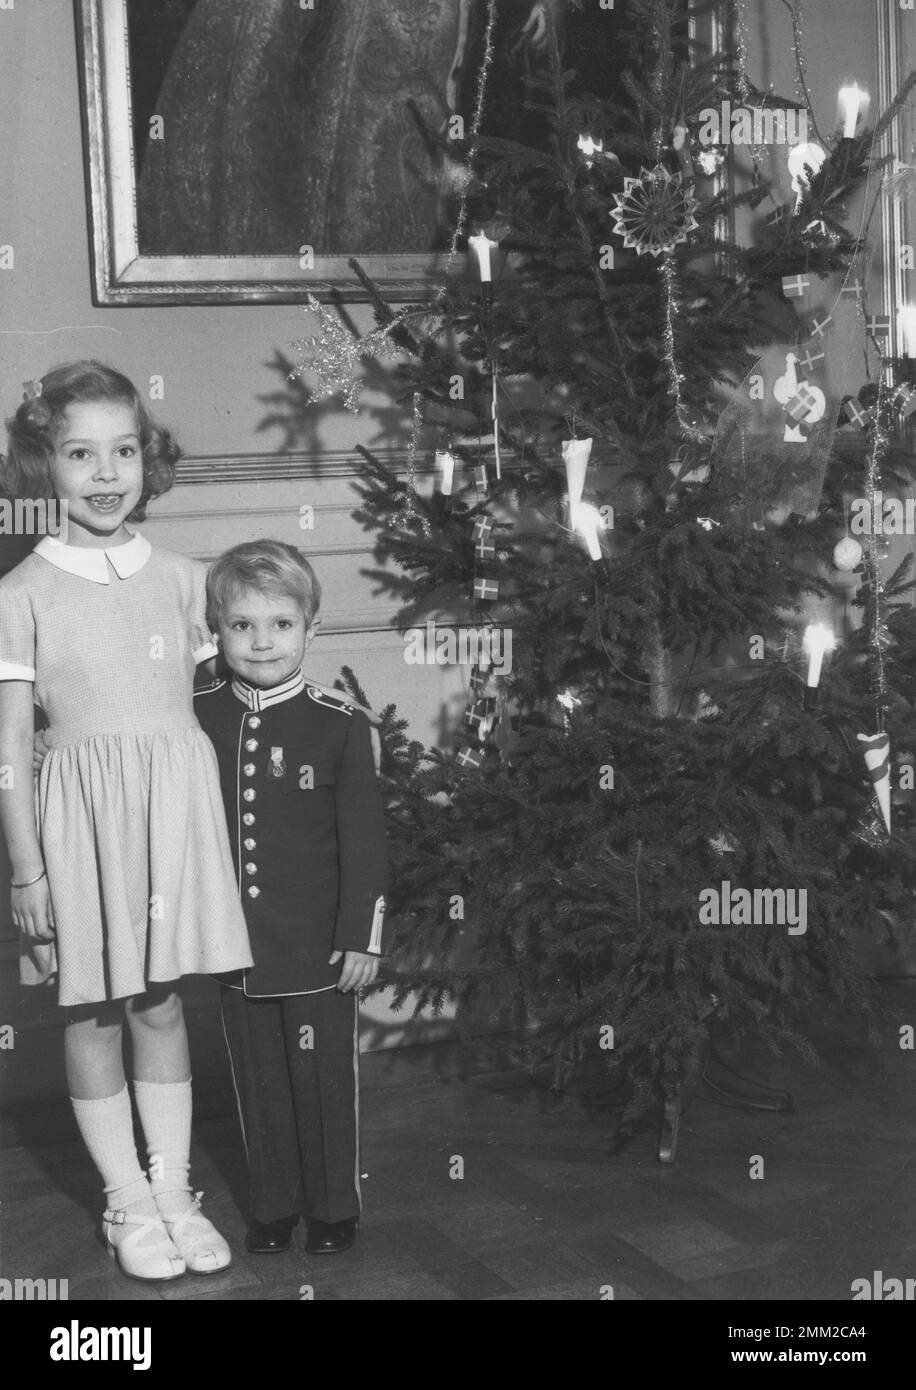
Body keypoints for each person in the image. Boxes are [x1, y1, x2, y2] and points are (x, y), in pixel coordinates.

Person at [0, 362, 253, 1282]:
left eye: (124, 450)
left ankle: (175, 1190)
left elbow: (231, 715)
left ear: (149, 459)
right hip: (76, 833)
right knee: (94, 1010)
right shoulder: (20, 594)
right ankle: (126, 1202)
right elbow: (8, 753)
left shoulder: (188, 583)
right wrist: (26, 872)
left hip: (170, 825)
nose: (106, 473)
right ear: (44, 465)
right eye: (80, 453)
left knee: (160, 1004)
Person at [193, 540, 388, 1256]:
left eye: (280, 624)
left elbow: (364, 842)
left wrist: (363, 934)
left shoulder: (339, 722)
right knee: (259, 1085)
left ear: (311, 629)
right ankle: (271, 1208)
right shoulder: (199, 714)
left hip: (318, 946)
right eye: (241, 625)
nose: (261, 641)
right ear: (216, 630)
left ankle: (336, 1209)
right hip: (235, 945)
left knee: (323, 1085)